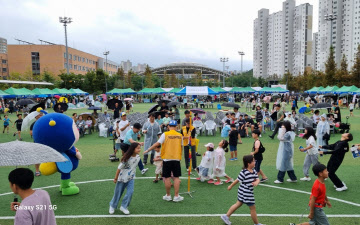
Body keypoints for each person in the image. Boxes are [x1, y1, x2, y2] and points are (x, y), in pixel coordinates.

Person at [146, 120, 184, 202]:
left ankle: (168, 195)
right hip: (176, 159)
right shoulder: (180, 135)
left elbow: (157, 144)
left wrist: (148, 149)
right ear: (176, 126)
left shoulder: (165, 134)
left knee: (167, 177)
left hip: (167, 159)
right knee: (176, 178)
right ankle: (176, 196)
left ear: (169, 126)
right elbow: (181, 147)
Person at [221, 155, 264, 225]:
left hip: (243, 192)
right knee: (253, 208)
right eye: (253, 161)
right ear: (248, 163)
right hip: (246, 192)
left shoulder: (254, 171)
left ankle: (226, 216)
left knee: (238, 204)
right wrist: (231, 186)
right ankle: (257, 224)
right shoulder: (244, 172)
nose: (255, 162)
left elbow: (257, 179)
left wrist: (256, 182)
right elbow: (237, 180)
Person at [109, 142, 141, 215]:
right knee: (118, 193)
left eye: (140, 148)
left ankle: (124, 206)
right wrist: (115, 178)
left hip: (131, 177)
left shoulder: (138, 157)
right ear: (133, 149)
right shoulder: (126, 158)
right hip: (122, 178)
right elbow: (119, 168)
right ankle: (112, 205)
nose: (139, 149)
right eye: (138, 148)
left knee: (130, 192)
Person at [29, 112, 43, 177]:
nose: (40, 115)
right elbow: (31, 133)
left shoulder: (45, 122)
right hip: (37, 142)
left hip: (46, 142)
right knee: (37, 157)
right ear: (36, 116)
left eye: (41, 114)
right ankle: (37, 170)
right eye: (39, 115)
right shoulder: (33, 124)